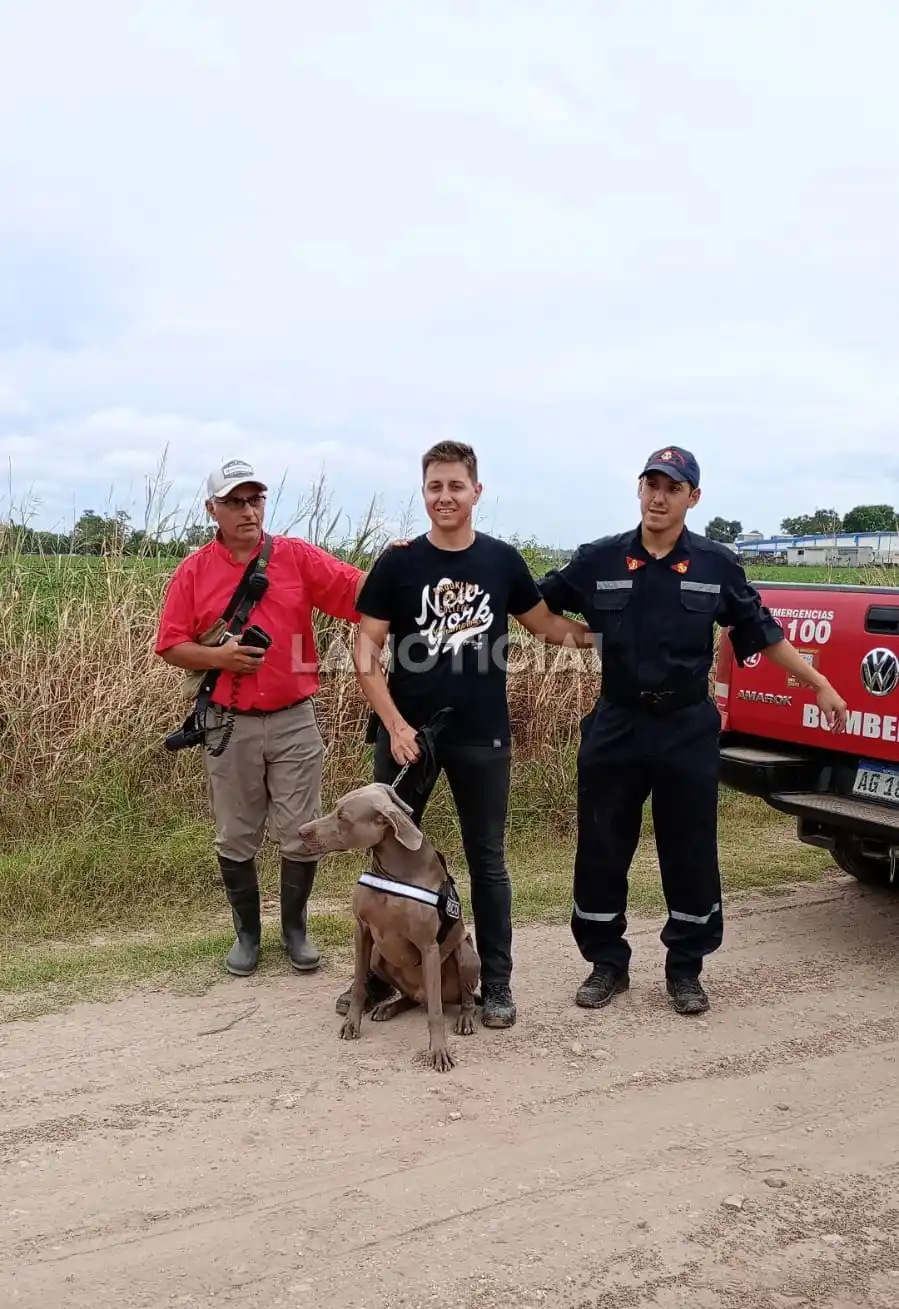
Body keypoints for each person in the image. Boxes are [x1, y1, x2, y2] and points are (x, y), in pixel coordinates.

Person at [537, 446, 848, 1016]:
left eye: (672, 488)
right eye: (650, 484)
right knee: (603, 845)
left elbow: (763, 631)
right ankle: (607, 962)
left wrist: (818, 682)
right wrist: (581, 638)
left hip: (686, 727)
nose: (658, 496)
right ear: (639, 489)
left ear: (692, 497)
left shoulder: (716, 565)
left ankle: (685, 969)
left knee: (691, 850)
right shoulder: (599, 559)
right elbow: (531, 603)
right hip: (617, 724)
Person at [341, 439, 593, 1029]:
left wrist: (607, 637)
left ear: (477, 492)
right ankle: (378, 974)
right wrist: (396, 726)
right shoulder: (398, 563)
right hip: (410, 739)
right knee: (387, 860)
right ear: (423, 491)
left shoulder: (501, 561)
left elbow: (545, 626)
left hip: (482, 736)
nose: (445, 497)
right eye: (435, 486)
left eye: (456, 486)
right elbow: (365, 650)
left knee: (488, 859)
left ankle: (496, 983)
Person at [155, 458, 368, 978]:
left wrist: (405, 565)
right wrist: (220, 659)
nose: (249, 511)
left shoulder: (294, 557)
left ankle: (295, 929)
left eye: (256, 500)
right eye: (235, 502)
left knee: (301, 830)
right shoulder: (194, 571)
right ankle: (247, 935)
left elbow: (355, 592)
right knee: (235, 831)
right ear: (212, 509)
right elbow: (172, 646)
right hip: (229, 722)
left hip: (295, 718)